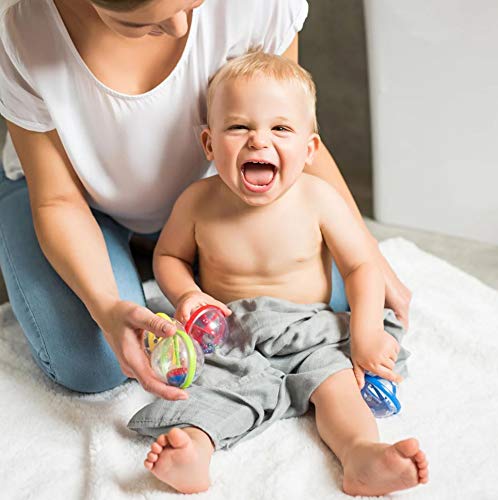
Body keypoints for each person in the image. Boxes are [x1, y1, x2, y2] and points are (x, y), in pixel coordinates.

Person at [0, 0, 411, 401]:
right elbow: (58, 200)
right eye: (143, 22)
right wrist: (107, 307)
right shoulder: (21, 28)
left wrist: (366, 250)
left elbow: (289, 131)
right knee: (97, 362)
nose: (180, 28)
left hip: (219, 190)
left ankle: (159, 251)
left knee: (328, 301)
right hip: (74, 201)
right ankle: (132, 255)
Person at [127, 51, 428, 496]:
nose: (258, 142)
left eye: (281, 129)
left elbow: (361, 265)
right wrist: (188, 294)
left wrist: (365, 332)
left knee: (338, 382)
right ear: (209, 143)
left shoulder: (319, 198)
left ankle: (361, 455)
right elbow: (168, 258)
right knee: (214, 388)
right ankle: (193, 453)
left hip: (308, 330)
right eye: (238, 127)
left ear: (309, 150)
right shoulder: (196, 202)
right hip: (228, 334)